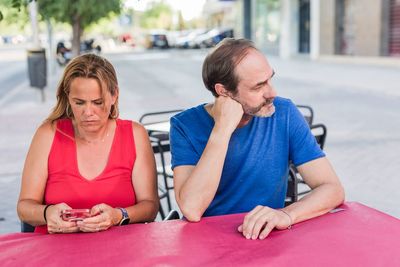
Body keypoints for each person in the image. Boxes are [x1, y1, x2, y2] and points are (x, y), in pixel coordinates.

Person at [170, 38, 345, 240]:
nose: (272, 92)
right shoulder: (184, 125)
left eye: (270, 79)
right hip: (208, 243)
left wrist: (286, 215)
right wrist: (222, 129)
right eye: (258, 86)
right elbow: (192, 209)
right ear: (224, 91)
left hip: (264, 239)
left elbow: (332, 189)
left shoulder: (284, 112)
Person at [17, 54, 159, 234]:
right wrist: (46, 213)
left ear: (114, 95)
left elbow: (150, 207)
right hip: (55, 251)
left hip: (122, 251)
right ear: (68, 97)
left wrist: (117, 216)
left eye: (98, 102)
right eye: (79, 103)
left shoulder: (135, 134)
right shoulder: (48, 134)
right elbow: (24, 207)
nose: (88, 112)